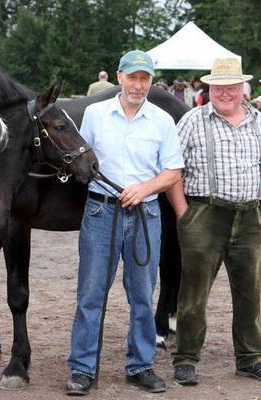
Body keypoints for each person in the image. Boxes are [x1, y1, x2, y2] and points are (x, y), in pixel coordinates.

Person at [66, 50, 184, 396]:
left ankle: (141, 365)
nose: (137, 84)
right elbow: (82, 163)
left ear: (150, 81)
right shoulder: (94, 115)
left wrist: (145, 188)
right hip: (101, 212)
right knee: (90, 294)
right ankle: (83, 368)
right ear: (119, 77)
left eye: (144, 78)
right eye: (132, 77)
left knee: (142, 296)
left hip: (145, 214)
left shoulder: (162, 121)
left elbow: (173, 171)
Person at [168, 58, 261, 387]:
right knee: (193, 294)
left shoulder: (259, 121)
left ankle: (250, 358)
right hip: (205, 215)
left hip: (250, 218)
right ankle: (187, 359)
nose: (225, 93)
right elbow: (172, 169)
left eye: (231, 87)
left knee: (250, 293)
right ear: (209, 88)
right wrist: (183, 213)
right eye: (218, 87)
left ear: (242, 89)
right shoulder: (192, 121)